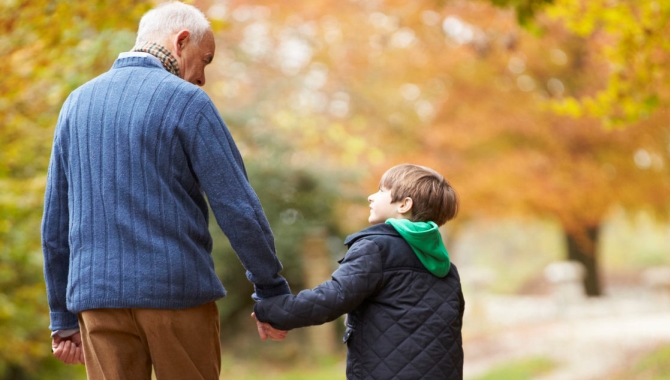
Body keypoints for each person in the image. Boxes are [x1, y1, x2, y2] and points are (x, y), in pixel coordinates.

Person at [41, 2, 290, 379]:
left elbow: (56, 222)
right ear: (181, 41)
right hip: (176, 296)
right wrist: (271, 288)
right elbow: (237, 206)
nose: (203, 77)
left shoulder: (75, 104)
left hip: (96, 303)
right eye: (204, 60)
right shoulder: (188, 102)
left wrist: (61, 316)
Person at [253, 163, 465, 379]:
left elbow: (332, 298)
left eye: (382, 191)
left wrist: (270, 310)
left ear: (404, 205)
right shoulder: (445, 267)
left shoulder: (376, 248)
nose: (371, 197)